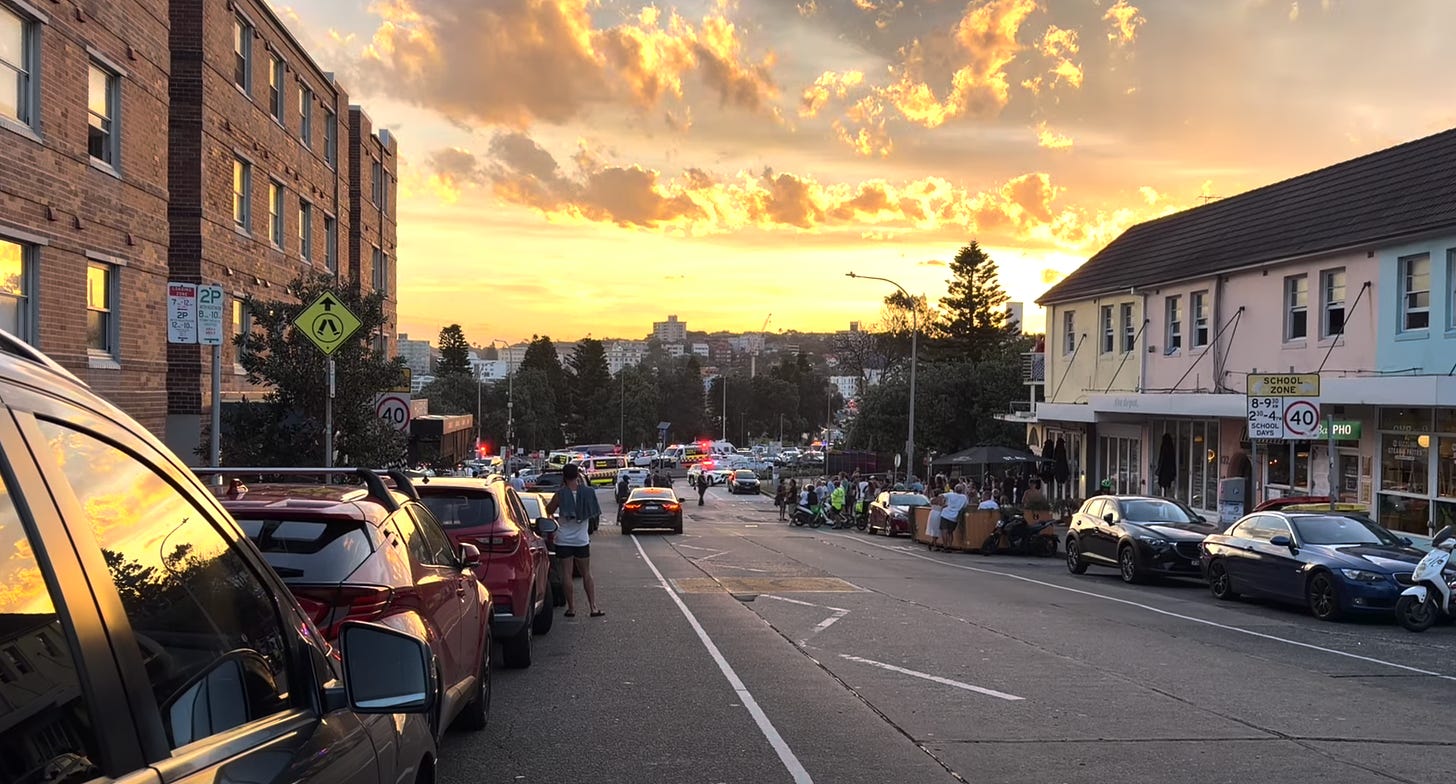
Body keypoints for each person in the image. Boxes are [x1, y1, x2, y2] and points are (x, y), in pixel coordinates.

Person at [545, 464, 603, 618]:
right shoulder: (588, 492)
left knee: (566, 574)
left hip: (563, 540)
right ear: (577, 475)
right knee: (586, 574)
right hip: (581, 540)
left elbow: (548, 510)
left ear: (564, 476)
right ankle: (593, 607)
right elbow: (594, 511)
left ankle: (571, 608)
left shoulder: (560, 494)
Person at [939, 483, 969, 551]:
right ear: (962, 490)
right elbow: (965, 506)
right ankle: (949, 545)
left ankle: (945, 545)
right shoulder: (964, 497)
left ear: (955, 489)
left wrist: (942, 504)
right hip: (954, 517)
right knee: (950, 532)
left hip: (945, 514)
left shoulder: (950, 494)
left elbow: (941, 496)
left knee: (944, 531)